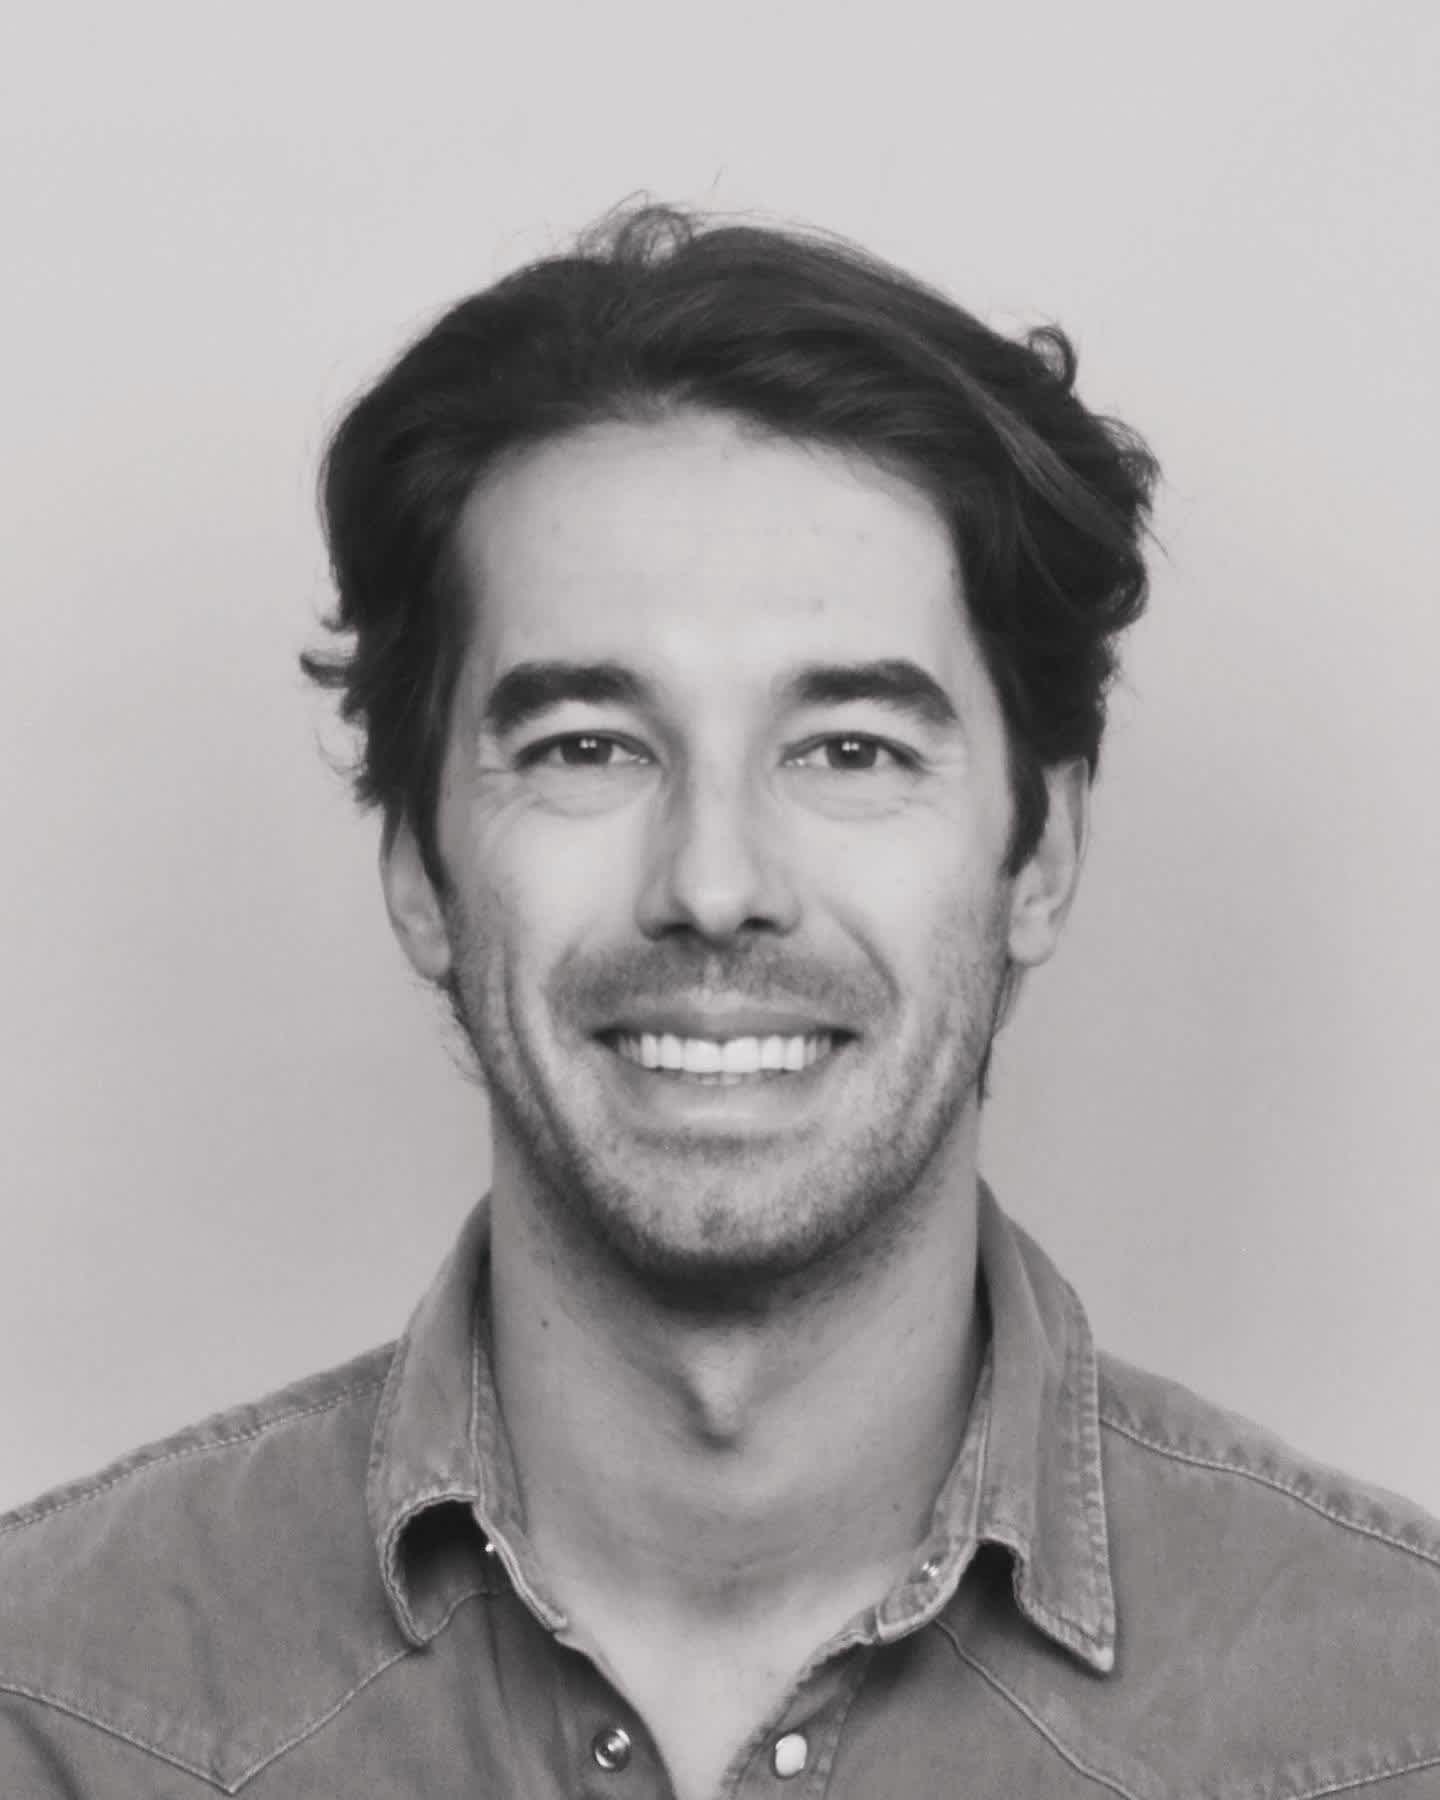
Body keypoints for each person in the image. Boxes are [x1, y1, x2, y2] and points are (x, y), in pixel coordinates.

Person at [3, 203, 1438, 1800]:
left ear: (1041, 854)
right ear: (417, 865)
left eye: (850, 751)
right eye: (588, 748)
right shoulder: (55, 1714)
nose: (713, 880)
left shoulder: (1394, 1729)